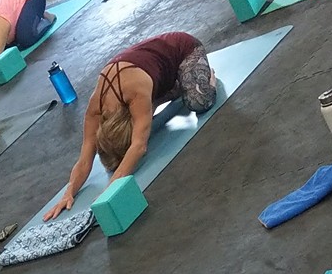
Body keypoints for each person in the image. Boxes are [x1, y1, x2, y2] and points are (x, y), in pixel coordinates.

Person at [46, 32, 215, 217]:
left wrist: (110, 189)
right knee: (149, 107)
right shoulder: (95, 109)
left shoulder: (135, 93)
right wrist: (69, 192)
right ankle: (178, 84)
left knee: (198, 102)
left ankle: (208, 79)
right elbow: (85, 159)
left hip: (183, 48)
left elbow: (139, 146)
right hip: (153, 77)